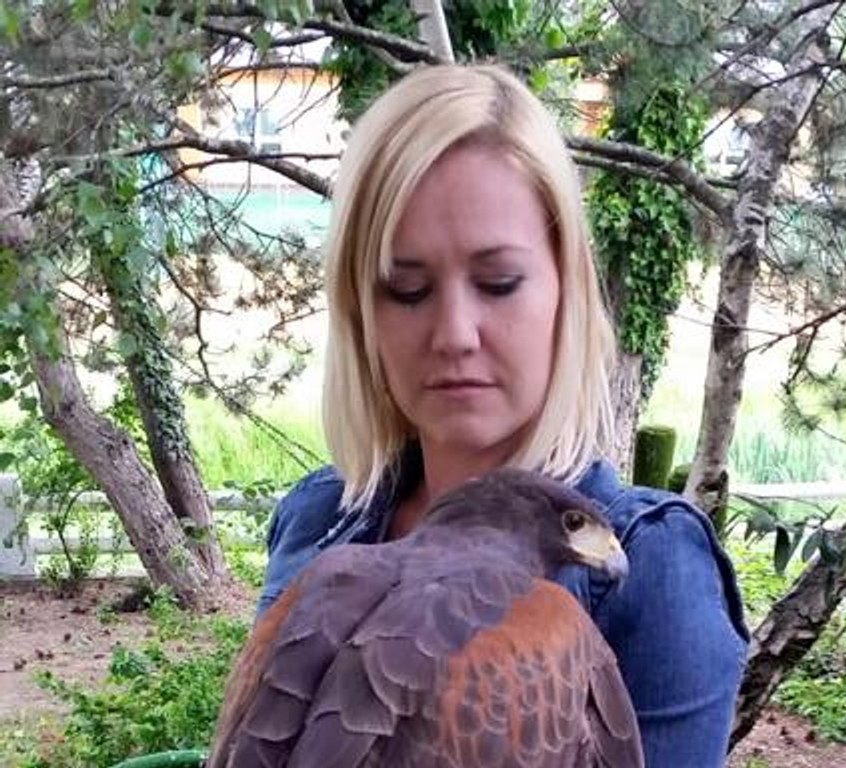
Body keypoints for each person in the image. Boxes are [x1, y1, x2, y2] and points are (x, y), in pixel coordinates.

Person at [257, 63, 749, 766]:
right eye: (407, 289)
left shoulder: (654, 564)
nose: (455, 333)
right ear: (360, 314)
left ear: (566, 288)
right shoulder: (319, 517)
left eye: (498, 282)